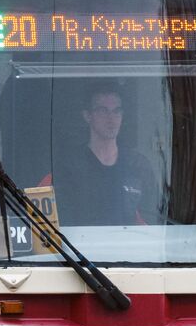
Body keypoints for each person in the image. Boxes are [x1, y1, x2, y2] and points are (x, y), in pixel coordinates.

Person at [52, 83, 159, 226]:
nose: (111, 118)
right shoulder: (69, 166)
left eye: (117, 111)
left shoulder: (138, 165)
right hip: (79, 246)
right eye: (103, 111)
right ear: (87, 116)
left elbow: (153, 220)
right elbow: (60, 221)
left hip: (131, 245)